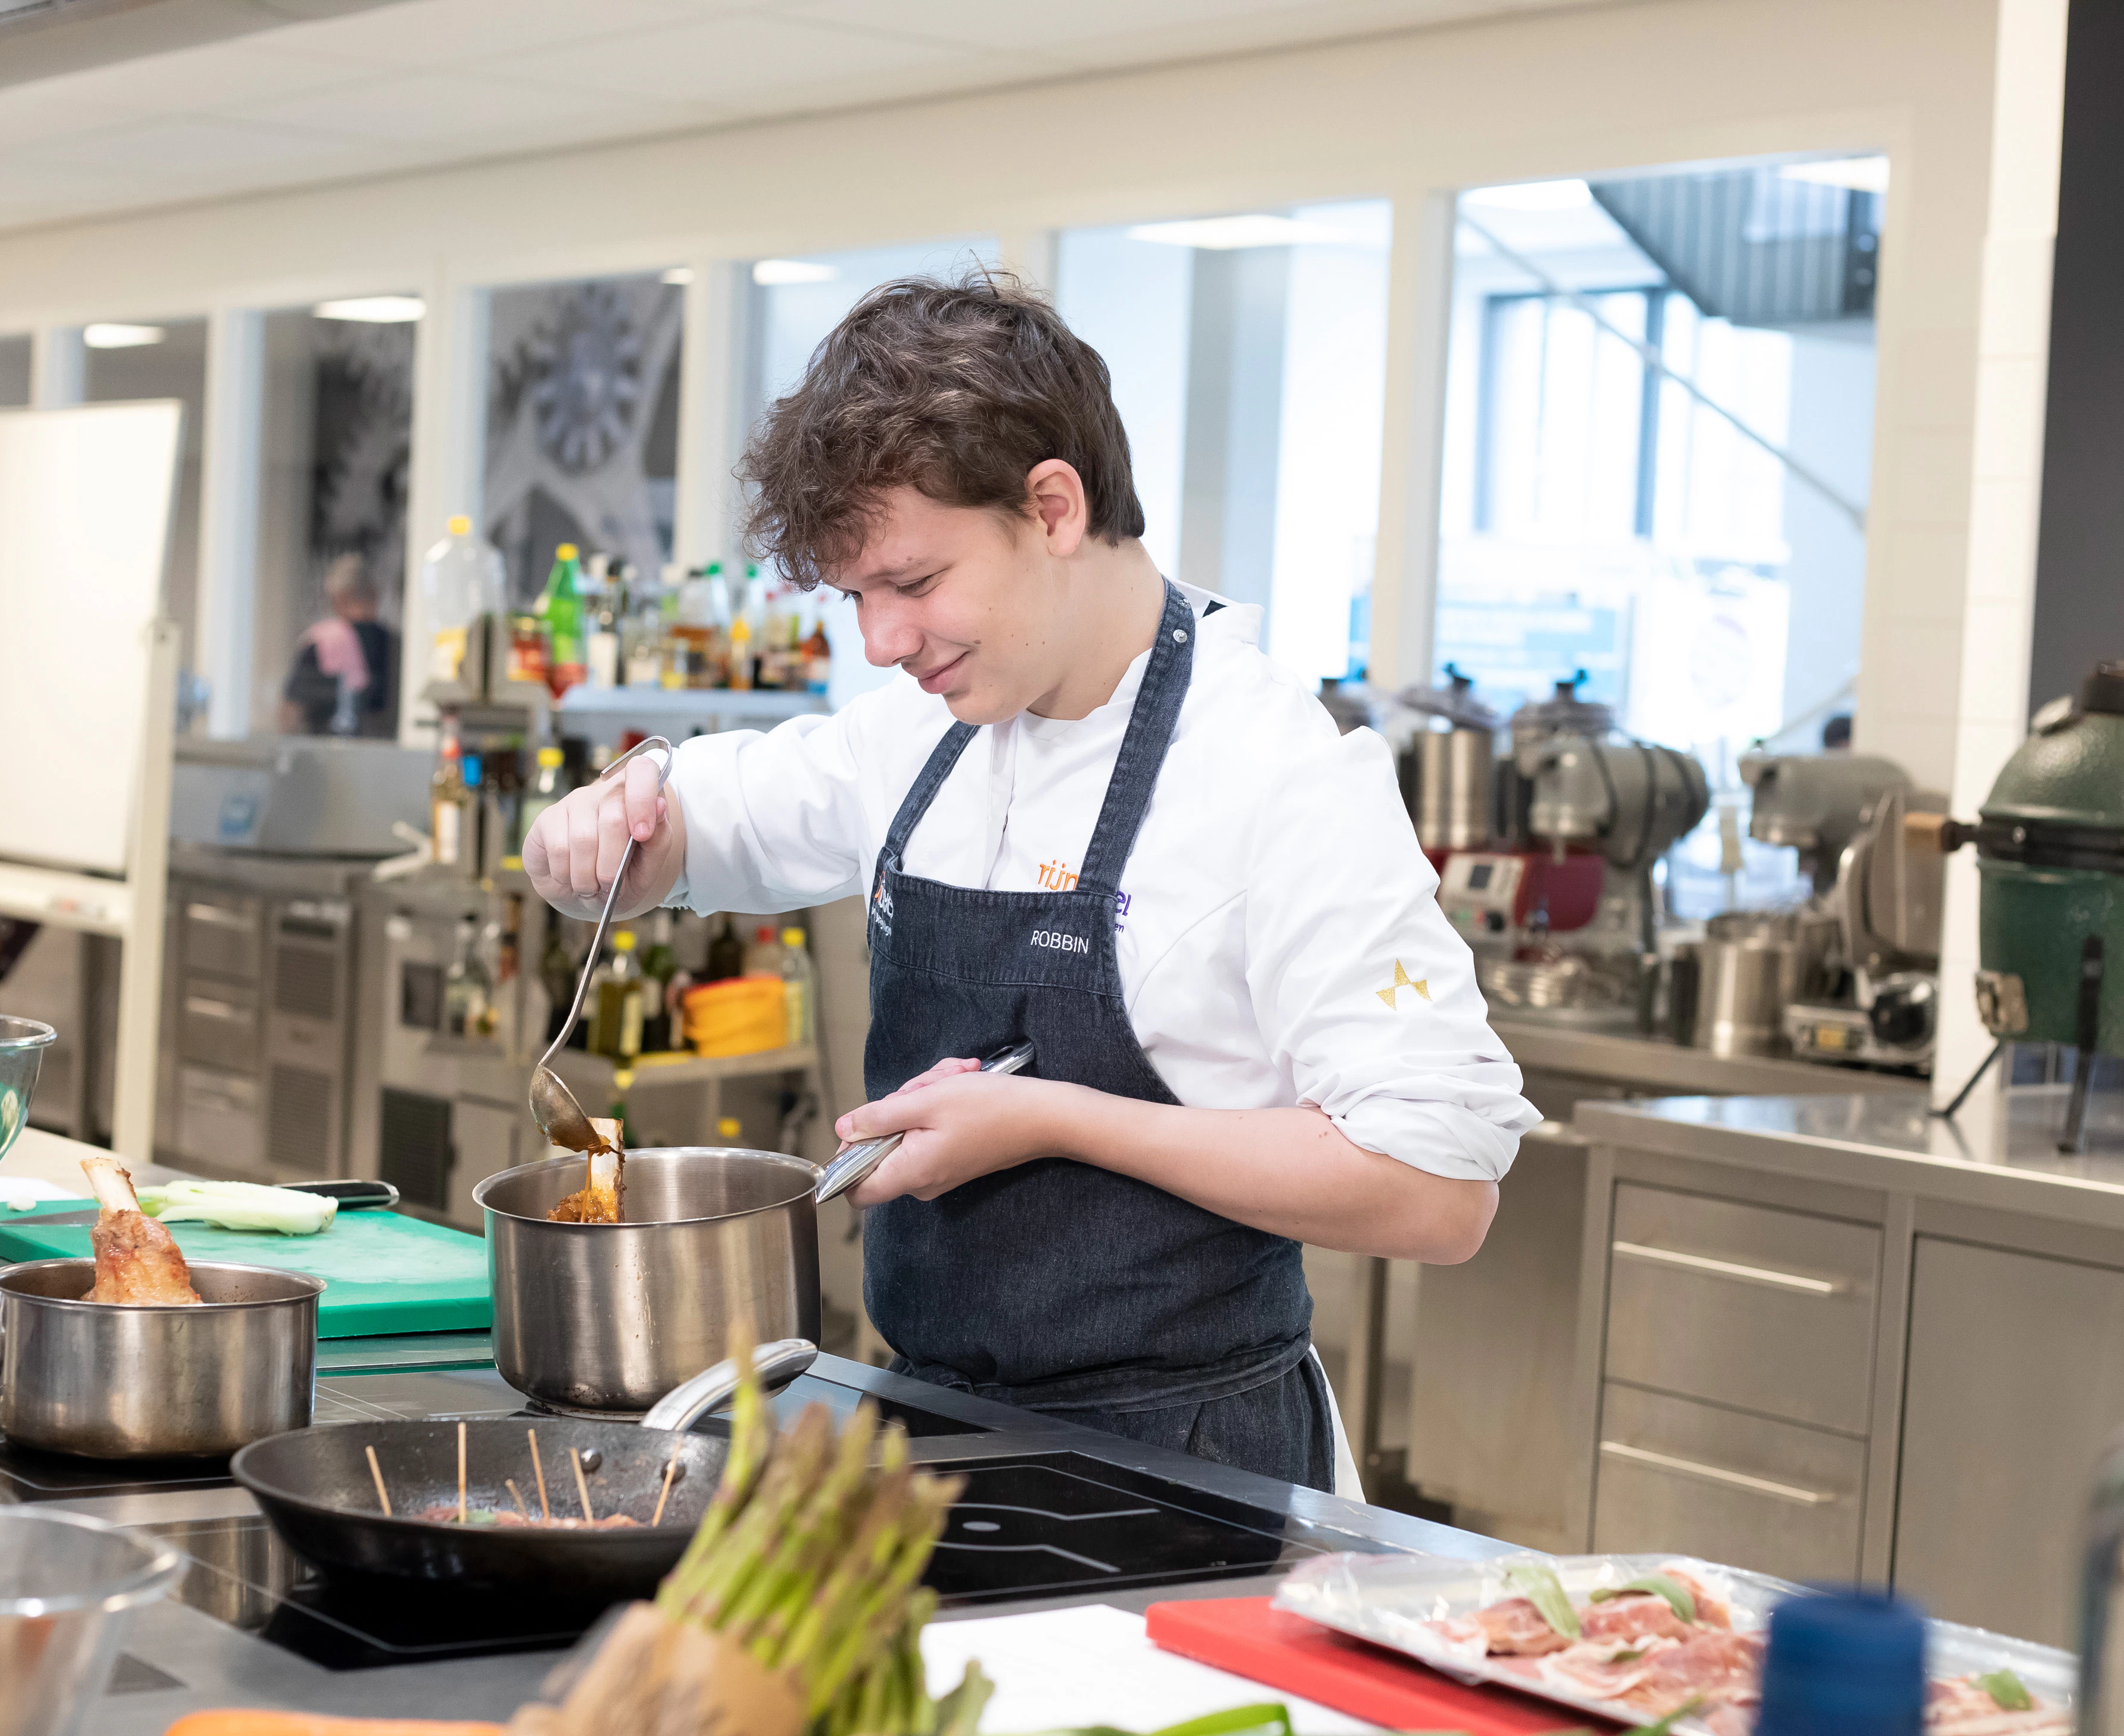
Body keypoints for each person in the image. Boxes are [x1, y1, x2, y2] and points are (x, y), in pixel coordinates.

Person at [521, 274, 1537, 1493]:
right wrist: (599, 828)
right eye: (856, 598)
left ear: (1050, 505)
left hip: (1190, 1470)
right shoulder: (923, 733)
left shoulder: (1272, 771)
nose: (882, 642)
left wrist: (1050, 1119)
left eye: (911, 582)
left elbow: (1438, 1189)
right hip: (930, 1436)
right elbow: (696, 819)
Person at [281, 553, 400, 736]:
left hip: (324, 752)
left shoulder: (320, 641)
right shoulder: (398, 646)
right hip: (387, 751)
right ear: (374, 594)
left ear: (339, 599)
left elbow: (291, 709)